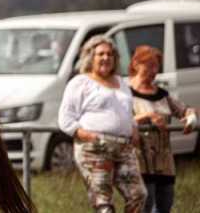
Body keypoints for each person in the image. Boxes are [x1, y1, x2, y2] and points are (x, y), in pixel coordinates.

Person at [58, 35, 147, 213]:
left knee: (138, 195)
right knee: (103, 203)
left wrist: (133, 128)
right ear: (91, 57)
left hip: (124, 148)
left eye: (109, 54)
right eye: (100, 54)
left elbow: (126, 111)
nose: (106, 58)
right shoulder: (80, 83)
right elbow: (65, 119)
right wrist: (89, 136)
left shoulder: (121, 83)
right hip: (95, 148)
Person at [129, 45, 197, 213]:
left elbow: (185, 109)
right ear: (136, 64)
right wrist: (148, 116)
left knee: (165, 205)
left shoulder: (162, 95)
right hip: (140, 161)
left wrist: (191, 119)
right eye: (150, 65)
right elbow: (120, 122)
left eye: (156, 66)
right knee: (147, 204)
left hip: (164, 163)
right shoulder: (125, 94)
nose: (154, 71)